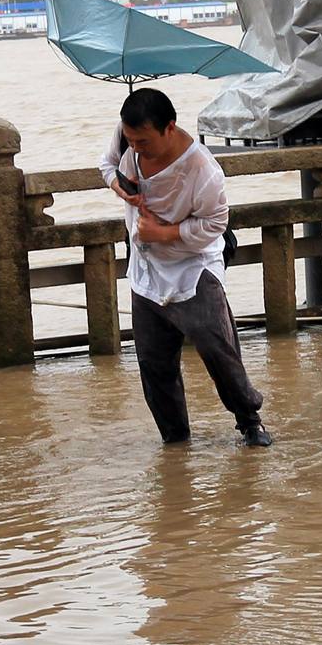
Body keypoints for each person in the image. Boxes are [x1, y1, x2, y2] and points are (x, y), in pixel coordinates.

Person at [98, 88, 273, 447]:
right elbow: (106, 166)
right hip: (146, 271)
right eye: (131, 141)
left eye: (143, 141)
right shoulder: (126, 140)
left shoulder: (202, 170)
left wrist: (163, 232)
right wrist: (120, 187)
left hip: (193, 268)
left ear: (169, 128)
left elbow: (214, 225)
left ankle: (249, 420)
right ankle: (175, 439)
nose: (136, 149)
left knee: (216, 349)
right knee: (154, 363)